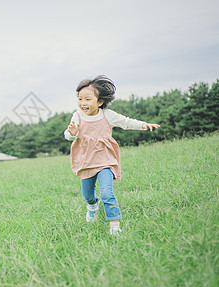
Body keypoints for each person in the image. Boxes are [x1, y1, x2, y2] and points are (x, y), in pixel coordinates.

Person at [64, 75, 159, 235]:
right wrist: (72, 133)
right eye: (80, 99)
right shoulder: (77, 116)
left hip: (105, 160)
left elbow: (126, 122)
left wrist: (143, 125)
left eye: (87, 99)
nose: (83, 103)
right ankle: (93, 205)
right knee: (87, 196)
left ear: (100, 102)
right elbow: (68, 135)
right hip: (86, 161)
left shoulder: (107, 115)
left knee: (107, 193)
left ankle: (115, 227)